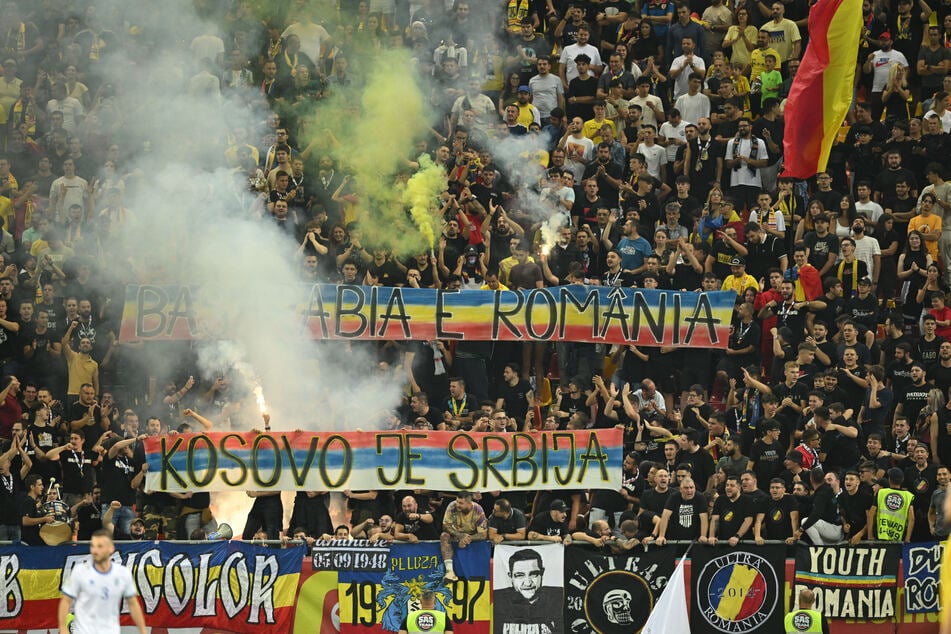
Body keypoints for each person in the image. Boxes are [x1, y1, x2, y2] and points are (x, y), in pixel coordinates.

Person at [59, 530, 148, 634]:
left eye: (100, 546)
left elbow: (133, 604)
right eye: (93, 546)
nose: (95, 550)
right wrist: (63, 628)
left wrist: (143, 630)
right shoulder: (79, 571)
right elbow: (66, 601)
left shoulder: (123, 573)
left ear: (111, 548)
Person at [493, 548, 562, 633]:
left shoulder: (559, 598)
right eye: (519, 575)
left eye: (533, 574)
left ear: (542, 573)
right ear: (510, 576)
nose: (528, 583)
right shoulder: (496, 600)